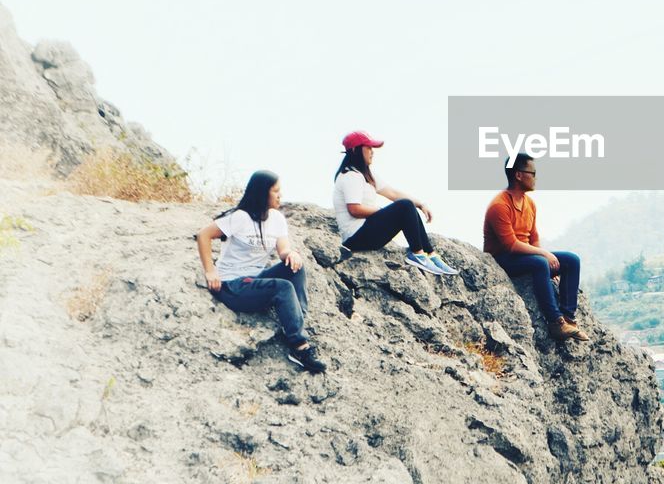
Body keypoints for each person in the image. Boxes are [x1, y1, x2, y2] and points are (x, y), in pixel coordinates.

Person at [195, 170, 326, 374]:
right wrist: (210, 271)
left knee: (295, 268)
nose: (280, 195)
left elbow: (283, 249)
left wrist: (291, 255)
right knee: (282, 287)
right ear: (262, 193)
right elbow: (203, 235)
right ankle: (299, 348)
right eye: (275, 191)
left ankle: (295, 321)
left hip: (255, 280)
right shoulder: (239, 217)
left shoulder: (277, 219)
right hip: (232, 286)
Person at [484, 153, 588, 342]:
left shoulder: (529, 203)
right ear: (518, 175)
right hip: (504, 259)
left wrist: (549, 262)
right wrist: (543, 255)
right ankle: (556, 323)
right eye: (532, 173)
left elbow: (533, 236)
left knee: (571, 260)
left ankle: (568, 318)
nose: (535, 178)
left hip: (526, 256)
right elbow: (511, 245)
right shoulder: (499, 206)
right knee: (540, 262)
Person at [332, 130, 458, 276]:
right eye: (368, 148)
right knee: (404, 206)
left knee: (407, 206)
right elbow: (354, 209)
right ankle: (417, 255)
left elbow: (393, 194)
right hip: (354, 238)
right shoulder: (350, 175)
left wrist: (421, 204)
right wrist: (381, 211)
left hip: (366, 234)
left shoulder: (365, 175)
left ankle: (430, 254)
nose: (372, 152)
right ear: (355, 150)